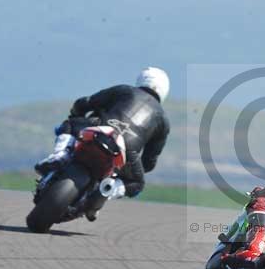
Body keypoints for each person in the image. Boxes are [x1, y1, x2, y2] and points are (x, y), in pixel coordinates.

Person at [34, 67, 171, 221]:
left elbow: (86, 102)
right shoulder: (163, 122)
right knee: (136, 184)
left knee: (69, 124)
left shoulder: (125, 90)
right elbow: (149, 161)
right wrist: (127, 171)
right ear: (164, 91)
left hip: (101, 130)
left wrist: (76, 114)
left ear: (141, 80)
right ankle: (106, 190)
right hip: (127, 151)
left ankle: (60, 155)